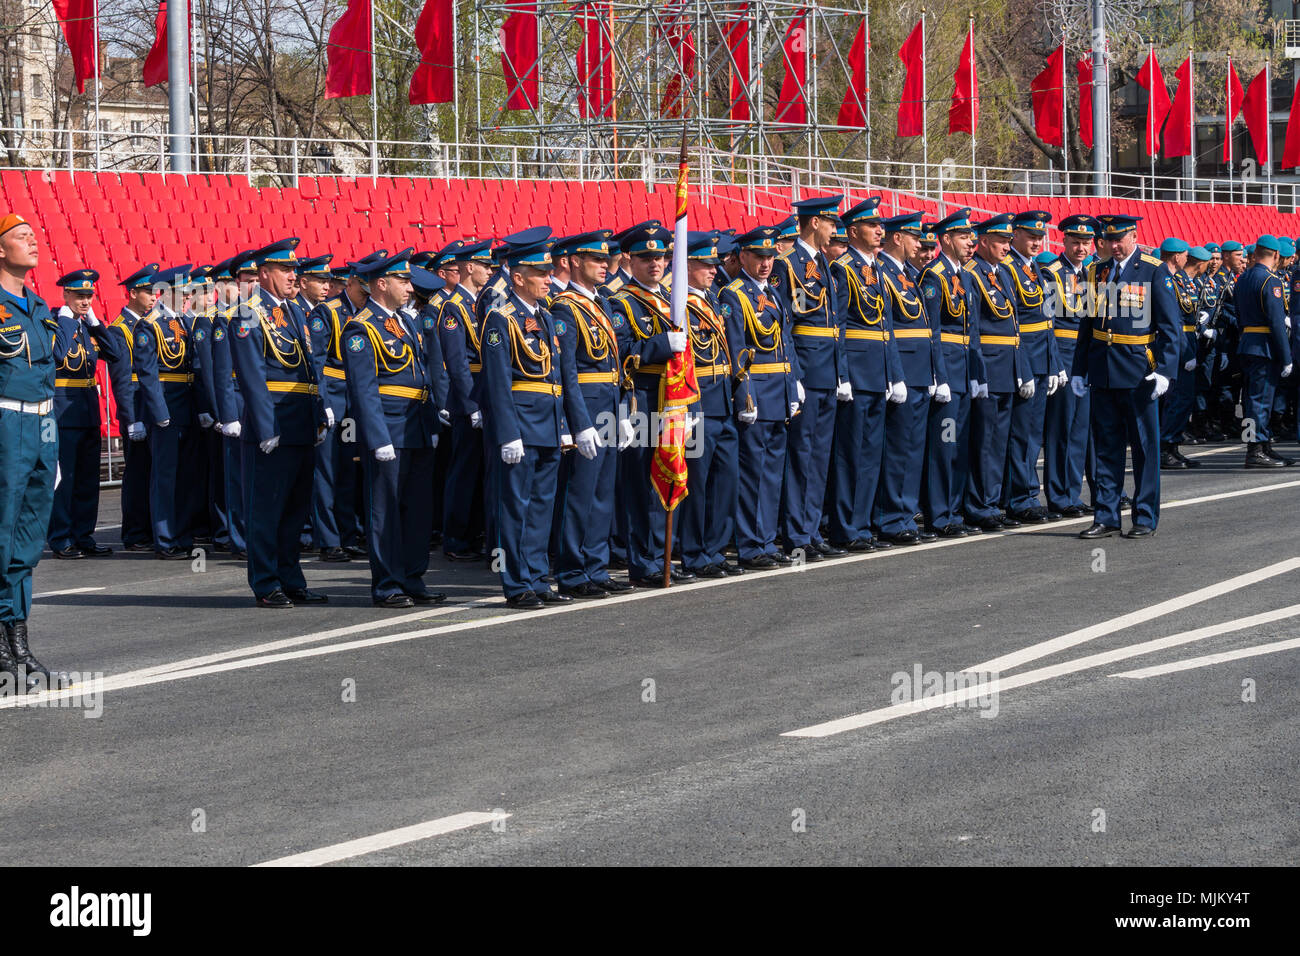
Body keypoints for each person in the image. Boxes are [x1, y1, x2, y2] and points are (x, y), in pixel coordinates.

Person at [480, 229, 580, 609]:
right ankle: (516, 582)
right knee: (514, 508)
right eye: (540, 273)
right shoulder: (500, 319)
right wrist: (508, 433)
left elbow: (557, 379)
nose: (547, 279)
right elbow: (498, 382)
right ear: (518, 277)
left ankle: (538, 578)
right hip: (520, 426)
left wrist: (567, 427)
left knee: (540, 508)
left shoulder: (548, 318)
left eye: (548, 272)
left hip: (549, 425)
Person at [342, 251, 448, 608]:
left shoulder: (407, 321)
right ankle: (388, 584)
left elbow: (424, 377)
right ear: (382, 284)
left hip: (416, 424)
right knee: (385, 509)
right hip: (388, 426)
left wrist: (431, 421)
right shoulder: (362, 326)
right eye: (403, 280)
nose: (409, 286)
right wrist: (376, 436)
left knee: (417, 508)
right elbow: (363, 387)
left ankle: (413, 577)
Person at [230, 238, 329, 607]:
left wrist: (318, 416)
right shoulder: (247, 313)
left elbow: (309, 371)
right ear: (264, 273)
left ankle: (291, 578)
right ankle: (266, 582)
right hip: (271, 423)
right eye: (286, 270)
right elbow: (252, 375)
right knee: (266, 509)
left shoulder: (295, 313)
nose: (293, 276)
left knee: (294, 510)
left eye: (294, 270)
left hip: (299, 422)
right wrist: (266, 425)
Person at [1071, 214, 1180, 538]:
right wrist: (1079, 370)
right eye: (1109, 239)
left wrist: (1165, 372)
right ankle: (1106, 515)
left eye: (1120, 239)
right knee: (1106, 447)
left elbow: (1171, 329)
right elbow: (1087, 327)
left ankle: (1144, 516)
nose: (1115, 246)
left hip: (1138, 373)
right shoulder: (1096, 271)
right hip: (1103, 370)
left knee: (1145, 449)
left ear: (1134, 236)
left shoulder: (1152, 270)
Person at [549, 231, 635, 595]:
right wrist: (577, 423)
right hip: (586, 405)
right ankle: (572, 571)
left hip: (610, 403)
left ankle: (596, 566)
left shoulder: (602, 302)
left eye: (605, 260)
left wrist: (626, 411)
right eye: (595, 260)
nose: (604, 265)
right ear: (572, 262)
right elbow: (567, 370)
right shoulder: (565, 307)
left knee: (602, 494)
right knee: (578, 493)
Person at [718, 225, 801, 569]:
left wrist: (795, 381)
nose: (766, 263)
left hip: (779, 392)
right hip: (757, 394)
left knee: (771, 474)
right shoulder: (734, 296)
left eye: (770, 256)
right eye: (759, 256)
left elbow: (786, 341)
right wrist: (744, 395)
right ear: (743, 257)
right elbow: (737, 349)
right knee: (753, 473)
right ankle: (752, 545)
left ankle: (766, 539)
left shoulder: (774, 294)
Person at [0, 212, 58, 691]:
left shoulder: (38, 306)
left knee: (27, 538)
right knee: (1, 534)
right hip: (5, 423)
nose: (33, 242)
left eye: (34, 235)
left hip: (41, 422)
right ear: (1, 250)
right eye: (21, 237)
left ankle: (17, 640)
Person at [825, 196, 903, 552]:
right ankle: (845, 527)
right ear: (853, 230)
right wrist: (841, 374)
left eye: (881, 226)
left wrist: (895, 373)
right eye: (873, 226)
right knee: (850, 454)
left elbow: (886, 326)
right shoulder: (843, 268)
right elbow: (838, 327)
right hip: (856, 372)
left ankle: (863, 523)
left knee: (872, 453)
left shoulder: (879, 269)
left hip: (879, 371)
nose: (879, 231)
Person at [770, 195, 842, 561]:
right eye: (831, 222)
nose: (834, 229)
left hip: (827, 371)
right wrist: (794, 374)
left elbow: (833, 323)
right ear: (814, 223)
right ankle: (796, 532)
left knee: (819, 456)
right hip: (807, 369)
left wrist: (840, 372)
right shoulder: (788, 264)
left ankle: (811, 529)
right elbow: (786, 324)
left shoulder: (823, 264)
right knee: (801, 455)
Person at [675, 231, 750, 578]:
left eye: (714, 263)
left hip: (723, 403)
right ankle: (694, 553)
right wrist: (688, 408)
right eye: (704, 264)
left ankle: (715, 550)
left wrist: (743, 394)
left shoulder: (715, 301)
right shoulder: (679, 305)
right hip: (699, 404)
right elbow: (683, 363)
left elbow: (735, 351)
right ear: (687, 266)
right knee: (698, 484)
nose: (712, 269)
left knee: (726, 481)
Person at [47, 269, 125, 558]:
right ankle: (61, 538)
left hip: (88, 409)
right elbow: (58, 355)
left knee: (87, 479)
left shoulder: (85, 326)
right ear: (65, 295)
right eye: (79, 296)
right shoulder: (57, 323)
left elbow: (115, 354)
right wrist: (67, 322)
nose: (85, 301)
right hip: (63, 410)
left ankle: (83, 535)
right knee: (64, 479)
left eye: (89, 296)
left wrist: (96, 325)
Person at [874, 212, 941, 545]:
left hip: (919, 373)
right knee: (898, 450)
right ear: (898, 238)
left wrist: (932, 372)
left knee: (913, 449)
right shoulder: (882, 273)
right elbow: (886, 329)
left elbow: (926, 330)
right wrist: (895, 374)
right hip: (901, 372)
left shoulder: (908, 275)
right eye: (915, 238)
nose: (921, 244)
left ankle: (904, 514)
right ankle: (891, 517)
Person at [918, 208, 983, 538]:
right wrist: (939, 376)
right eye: (962, 236)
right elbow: (932, 330)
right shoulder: (934, 275)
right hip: (946, 370)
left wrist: (976, 373)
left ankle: (954, 510)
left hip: (963, 370)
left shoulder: (966, 276)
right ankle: (939, 515)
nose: (970, 241)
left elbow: (971, 329)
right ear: (945, 239)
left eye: (970, 236)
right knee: (944, 445)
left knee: (958, 446)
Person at [965, 213, 1030, 531]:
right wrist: (978, 372)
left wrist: (1022, 369)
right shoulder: (971, 273)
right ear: (984, 242)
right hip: (988, 368)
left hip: (1007, 369)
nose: (1007, 246)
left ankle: (991, 501)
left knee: (999, 441)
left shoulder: (1003, 273)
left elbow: (1014, 326)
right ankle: (979, 505)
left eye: (1008, 241)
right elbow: (972, 329)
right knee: (984, 441)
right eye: (1001, 241)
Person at [1002, 211, 1066, 523]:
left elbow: (1047, 322)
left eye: (1040, 237)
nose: (1036, 241)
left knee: (1032, 434)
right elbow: (1013, 327)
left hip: (1042, 362)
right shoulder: (1008, 269)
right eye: (1030, 236)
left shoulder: (1035, 270)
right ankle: (1020, 497)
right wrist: (1024, 369)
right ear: (1014, 235)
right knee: (1022, 434)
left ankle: (1025, 493)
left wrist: (1054, 364)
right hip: (1024, 362)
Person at [134, 264, 197, 559]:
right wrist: (159, 412)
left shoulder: (183, 323)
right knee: (166, 476)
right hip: (166, 408)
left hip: (187, 406)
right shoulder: (150, 324)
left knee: (186, 476)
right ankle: (165, 538)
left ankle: (183, 534)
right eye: (180, 292)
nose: (185, 297)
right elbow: (147, 374)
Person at [437, 239, 493, 562]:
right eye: (485, 266)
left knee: (477, 470)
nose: (489, 271)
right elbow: (457, 363)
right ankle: (456, 538)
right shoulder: (453, 307)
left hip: (480, 392)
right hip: (466, 399)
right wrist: (471, 405)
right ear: (469, 267)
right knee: (463, 470)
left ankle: (472, 534)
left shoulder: (478, 304)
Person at [1040, 215, 1097, 517]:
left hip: (1084, 358)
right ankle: (1058, 496)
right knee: (1060, 430)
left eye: (1086, 243)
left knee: (1079, 431)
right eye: (1075, 242)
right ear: (1064, 241)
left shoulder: (1092, 274)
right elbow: (1046, 324)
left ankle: (1072, 494)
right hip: (1062, 354)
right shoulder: (1050, 273)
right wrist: (1055, 363)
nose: (1081, 247)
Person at [1235, 234, 1295, 468]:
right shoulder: (1271, 280)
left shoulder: (1243, 278)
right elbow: (1276, 322)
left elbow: (1240, 315)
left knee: (1251, 399)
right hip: (1265, 346)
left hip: (1248, 342)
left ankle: (1261, 444)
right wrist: (1286, 356)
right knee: (1259, 401)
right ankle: (1255, 450)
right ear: (1277, 255)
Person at [114, 263, 160, 552]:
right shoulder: (119, 330)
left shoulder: (149, 323)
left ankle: (148, 527)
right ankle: (134, 532)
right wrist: (132, 419)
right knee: (136, 473)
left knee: (150, 471)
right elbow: (122, 379)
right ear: (132, 294)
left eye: (155, 291)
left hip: (149, 406)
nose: (154, 296)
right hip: (136, 408)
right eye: (147, 291)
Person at [1158, 239, 1202, 469]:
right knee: (1177, 399)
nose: (1188, 259)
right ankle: (1166, 448)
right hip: (1178, 345)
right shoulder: (1168, 282)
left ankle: (1173, 446)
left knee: (1184, 399)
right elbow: (1173, 322)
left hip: (1187, 341)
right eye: (1185, 255)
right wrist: (1185, 353)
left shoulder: (1181, 281)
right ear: (1176, 257)